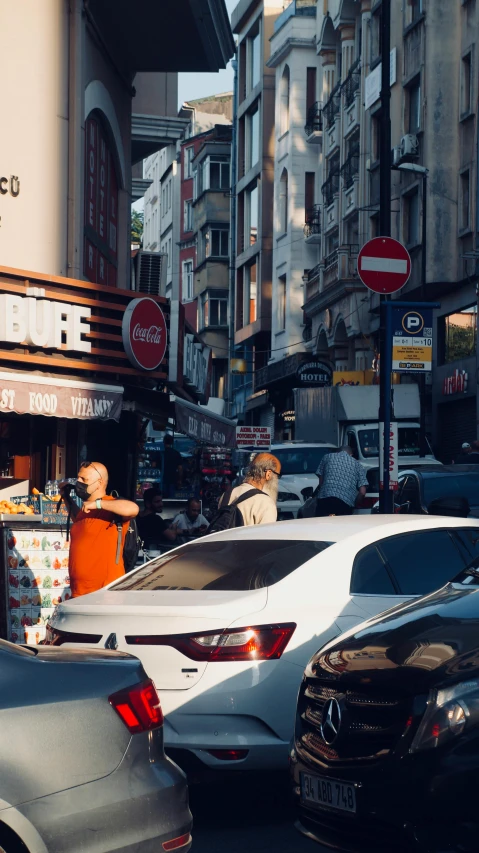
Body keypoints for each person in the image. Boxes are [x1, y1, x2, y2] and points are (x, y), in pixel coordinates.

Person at [60, 461, 139, 598]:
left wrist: (98, 504)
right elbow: (81, 521)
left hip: (104, 593)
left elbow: (133, 509)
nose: (78, 482)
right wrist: (66, 497)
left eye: (84, 479)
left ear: (100, 483)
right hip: (79, 592)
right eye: (78, 478)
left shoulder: (111, 505)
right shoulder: (86, 510)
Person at [217, 452, 281, 525]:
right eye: (277, 476)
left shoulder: (227, 494)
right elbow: (266, 534)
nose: (277, 480)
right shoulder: (265, 503)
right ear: (268, 474)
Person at [315, 446, 368, 517]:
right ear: (351, 455)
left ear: (337, 452)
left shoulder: (327, 457)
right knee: (343, 526)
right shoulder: (358, 465)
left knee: (321, 523)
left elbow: (321, 481)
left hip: (325, 499)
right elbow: (362, 492)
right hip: (345, 503)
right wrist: (355, 504)